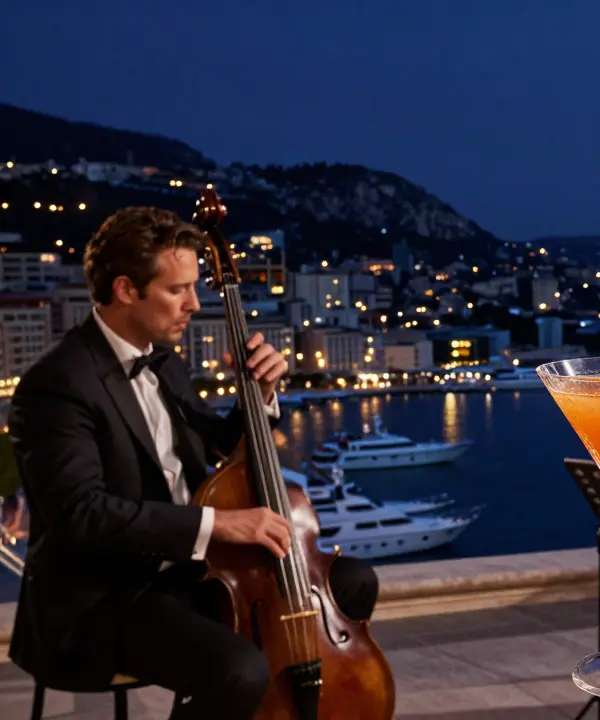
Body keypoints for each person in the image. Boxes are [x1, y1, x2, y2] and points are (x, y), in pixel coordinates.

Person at [7, 207, 381, 719]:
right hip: (107, 597)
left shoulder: (164, 359)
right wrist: (221, 524)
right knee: (238, 669)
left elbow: (212, 447)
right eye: (177, 289)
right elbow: (81, 516)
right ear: (125, 290)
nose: (194, 304)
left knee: (354, 582)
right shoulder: (57, 386)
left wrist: (262, 397)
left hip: (185, 576)